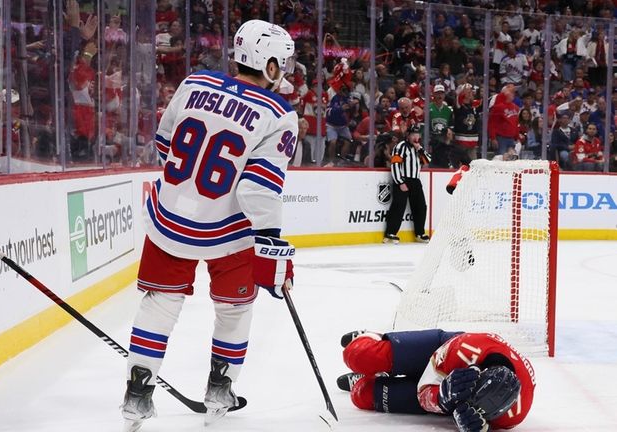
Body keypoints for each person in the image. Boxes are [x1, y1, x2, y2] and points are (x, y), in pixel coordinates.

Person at [120, 19, 298, 431]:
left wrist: (188, 195)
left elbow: (165, 143)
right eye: (282, 63)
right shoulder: (278, 114)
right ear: (268, 63)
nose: (285, 71)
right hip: (229, 233)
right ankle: (220, 391)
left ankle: (137, 396)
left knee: (159, 305)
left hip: (169, 218)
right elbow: (257, 191)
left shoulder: (194, 84)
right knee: (234, 309)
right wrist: (270, 242)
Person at [337, 329, 535, 432]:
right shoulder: (465, 348)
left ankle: (376, 377)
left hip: (449, 395)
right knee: (358, 355)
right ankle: (374, 336)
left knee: (362, 395)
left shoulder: (514, 416)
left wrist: (479, 426)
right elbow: (424, 385)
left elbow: (484, 423)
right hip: (442, 351)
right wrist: (440, 394)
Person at [384, 123, 431, 244]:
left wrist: (419, 149)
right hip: (403, 179)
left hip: (415, 180)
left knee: (421, 206)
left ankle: (420, 233)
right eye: (413, 134)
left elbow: (427, 161)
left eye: (417, 134)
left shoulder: (418, 148)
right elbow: (395, 165)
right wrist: (400, 182)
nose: (416, 137)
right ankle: (390, 233)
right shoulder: (400, 147)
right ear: (408, 135)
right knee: (398, 206)